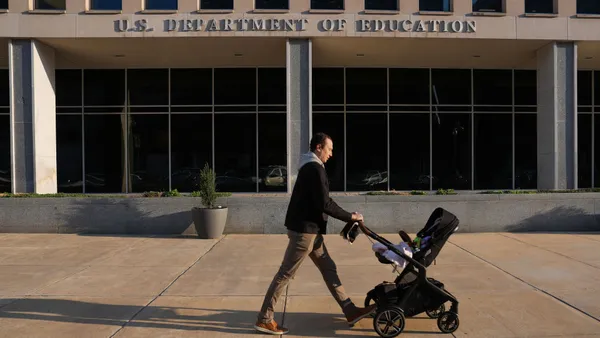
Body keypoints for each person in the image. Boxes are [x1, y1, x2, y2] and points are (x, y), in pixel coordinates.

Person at [254, 132, 378, 335]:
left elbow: (322, 201)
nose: (331, 154)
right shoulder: (314, 169)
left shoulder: (311, 167)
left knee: (329, 268)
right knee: (285, 274)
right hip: (305, 233)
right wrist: (351, 217)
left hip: (311, 231)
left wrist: (349, 216)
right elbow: (325, 203)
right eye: (329, 149)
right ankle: (264, 319)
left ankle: (350, 310)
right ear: (318, 148)